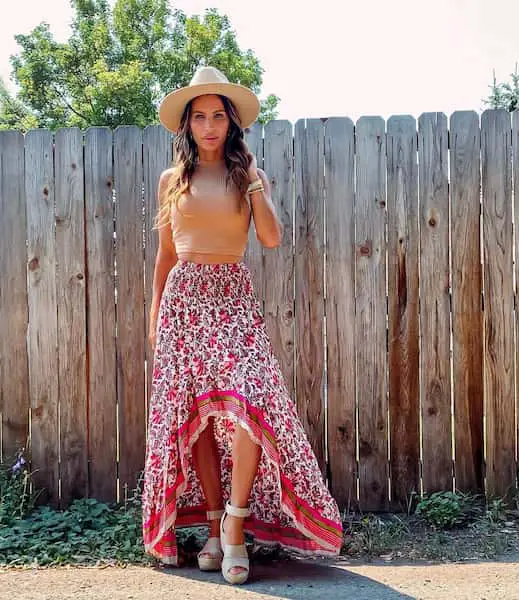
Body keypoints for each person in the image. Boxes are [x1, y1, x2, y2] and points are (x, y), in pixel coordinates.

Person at [142, 66, 343, 585]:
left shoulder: (248, 174)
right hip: (184, 301)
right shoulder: (172, 180)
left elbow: (272, 238)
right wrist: (154, 317)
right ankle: (211, 526)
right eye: (200, 117)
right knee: (199, 417)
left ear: (231, 123)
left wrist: (254, 179)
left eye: (218, 117)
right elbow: (165, 258)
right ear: (187, 125)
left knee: (251, 398)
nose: (209, 126)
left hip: (232, 296)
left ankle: (234, 523)